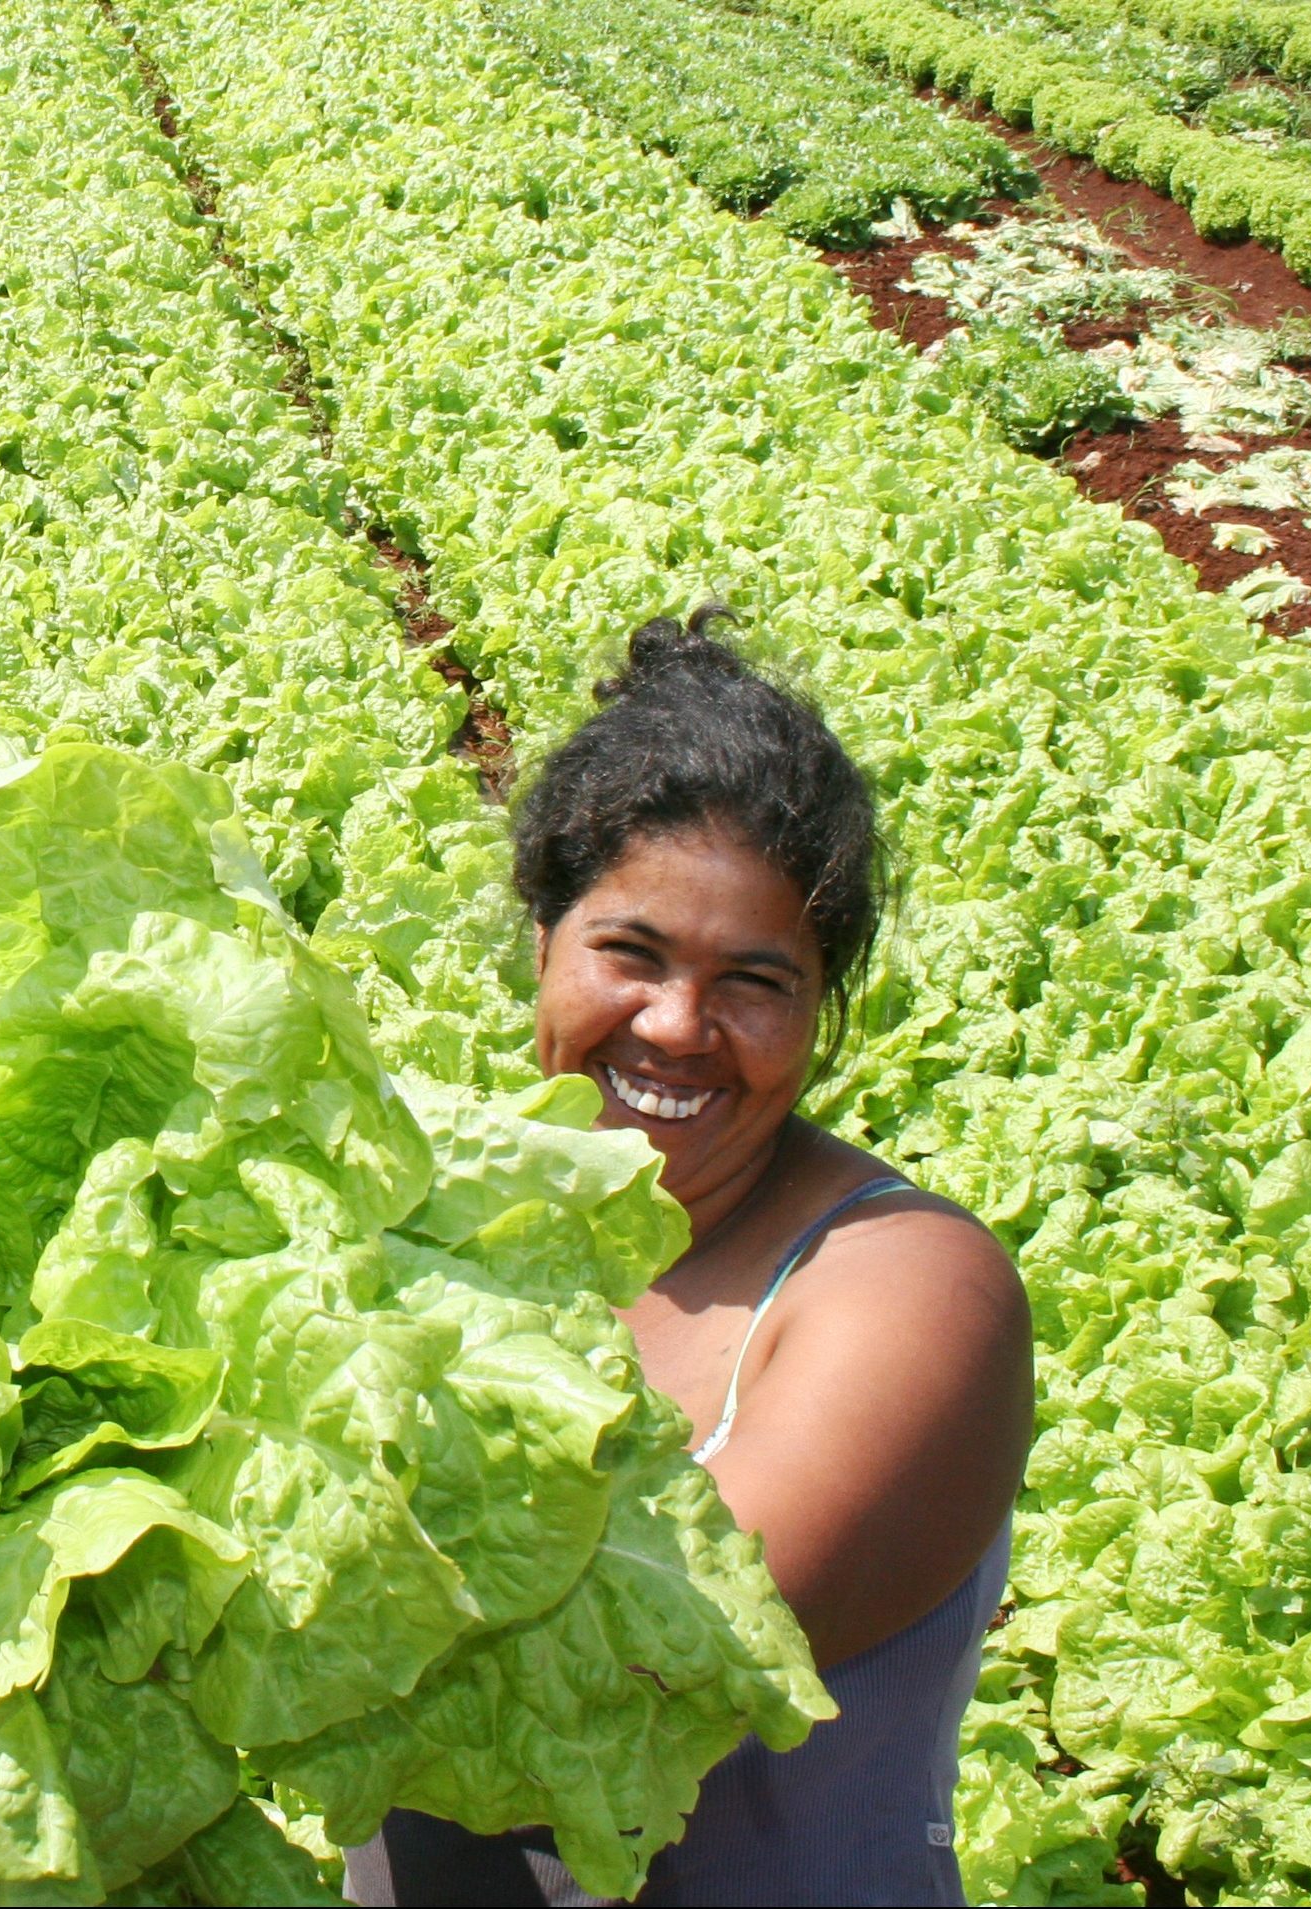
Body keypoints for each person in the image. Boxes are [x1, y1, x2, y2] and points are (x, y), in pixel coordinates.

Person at [349, 611, 1035, 1908]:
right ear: (543, 939)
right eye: (632, 952)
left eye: (755, 980)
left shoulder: (910, 1285)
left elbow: (662, 1643)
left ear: (823, 1007)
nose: (675, 1025)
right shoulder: (445, 1208)